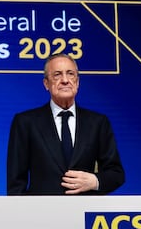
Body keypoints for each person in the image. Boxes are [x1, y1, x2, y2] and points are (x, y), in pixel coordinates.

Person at [7, 53, 125, 195]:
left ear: (77, 82)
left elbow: (116, 174)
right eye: (57, 75)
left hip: (85, 212)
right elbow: (15, 184)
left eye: (70, 74)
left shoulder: (98, 123)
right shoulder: (25, 122)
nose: (65, 80)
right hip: (41, 214)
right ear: (46, 84)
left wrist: (95, 181)